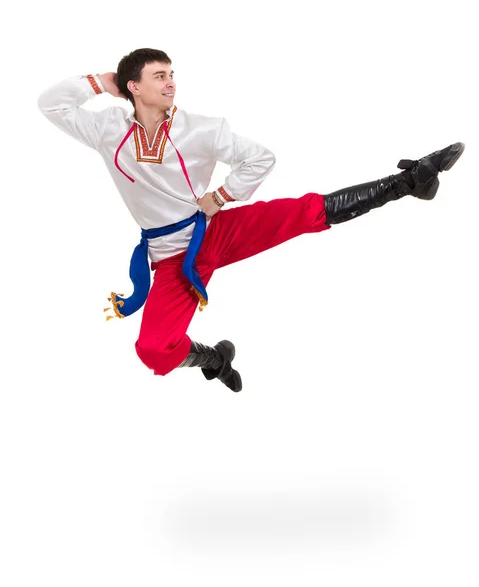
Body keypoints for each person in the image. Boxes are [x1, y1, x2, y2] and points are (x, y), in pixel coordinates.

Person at [38, 48, 465, 393]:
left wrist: (221, 197)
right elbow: (50, 103)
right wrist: (103, 81)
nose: (170, 82)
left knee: (304, 212)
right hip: (171, 257)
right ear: (132, 86)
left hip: (214, 231)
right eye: (158, 75)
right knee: (153, 349)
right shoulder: (108, 129)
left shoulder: (200, 129)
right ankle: (215, 359)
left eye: (172, 73)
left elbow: (260, 158)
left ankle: (412, 180)